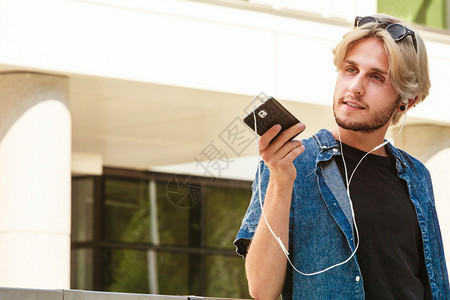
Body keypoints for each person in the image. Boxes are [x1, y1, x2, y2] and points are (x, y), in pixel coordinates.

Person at [234, 14, 450, 299]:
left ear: (406, 100)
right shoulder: (288, 162)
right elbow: (262, 290)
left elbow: (435, 285)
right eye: (350, 69)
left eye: (376, 77)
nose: (355, 87)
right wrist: (281, 181)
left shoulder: (416, 175)